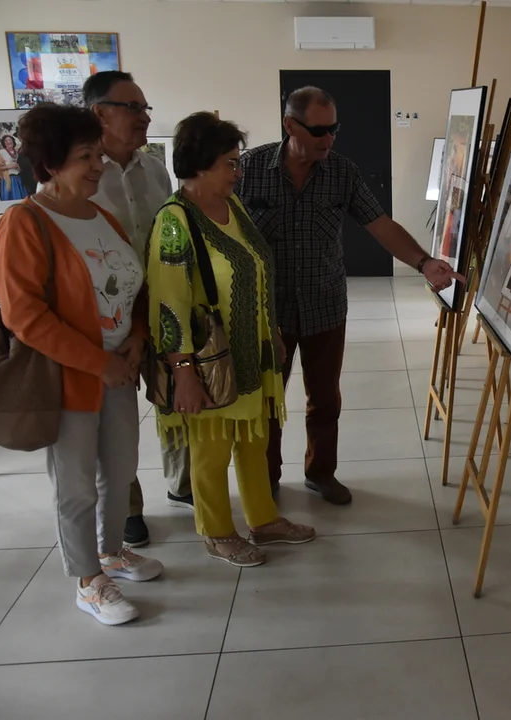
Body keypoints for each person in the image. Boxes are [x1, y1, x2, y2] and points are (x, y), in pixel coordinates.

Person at [236, 86, 462, 503]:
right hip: (266, 312)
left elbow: (381, 225)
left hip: (324, 305)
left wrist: (424, 262)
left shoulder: (342, 172)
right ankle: (264, 478)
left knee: (325, 399)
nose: (329, 139)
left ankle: (321, 473)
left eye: (334, 129)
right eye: (319, 130)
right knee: (265, 402)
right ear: (290, 125)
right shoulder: (249, 169)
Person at [0, 103, 163, 626]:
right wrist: (97, 362)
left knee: (120, 470)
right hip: (67, 376)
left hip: (117, 368)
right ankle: (88, 581)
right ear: (49, 163)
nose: (98, 166)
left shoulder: (102, 216)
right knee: (75, 483)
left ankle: (111, 552)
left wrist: (135, 338)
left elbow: (133, 287)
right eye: (85, 157)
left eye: (98, 155)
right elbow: (25, 315)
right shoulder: (25, 222)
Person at [146, 112, 315, 567]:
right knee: (212, 448)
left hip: (251, 350)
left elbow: (257, 271)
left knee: (253, 439)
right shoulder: (175, 221)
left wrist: (274, 333)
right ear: (199, 165)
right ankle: (217, 531)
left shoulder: (233, 206)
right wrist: (183, 373)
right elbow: (168, 302)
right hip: (208, 361)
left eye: (237, 162)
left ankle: (264, 520)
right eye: (229, 163)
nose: (237, 172)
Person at [81, 70, 188, 548]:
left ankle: (183, 484)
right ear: (99, 113)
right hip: (106, 317)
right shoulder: (80, 173)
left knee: (178, 395)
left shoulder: (155, 169)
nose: (145, 117)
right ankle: (128, 508)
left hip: (162, 304)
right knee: (116, 418)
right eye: (134, 108)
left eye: (146, 108)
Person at [0, 134, 27, 201]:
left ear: (13, 141)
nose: (8, 141)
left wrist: (18, 166)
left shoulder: (17, 152)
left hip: (19, 178)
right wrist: (10, 166)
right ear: (4, 143)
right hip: (9, 179)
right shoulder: (1, 152)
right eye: (6, 140)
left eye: (9, 140)